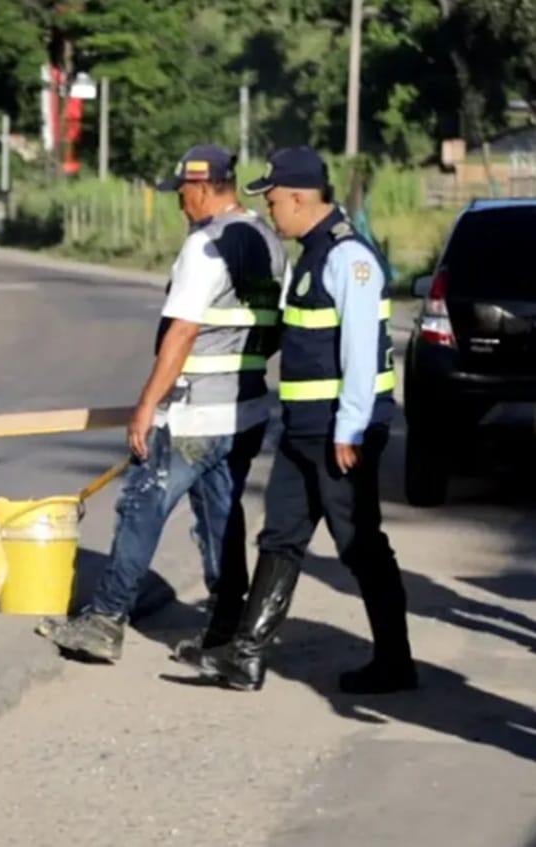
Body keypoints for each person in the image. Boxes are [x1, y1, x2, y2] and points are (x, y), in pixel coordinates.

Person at [177, 146, 418, 694]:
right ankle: (247, 656)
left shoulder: (346, 257)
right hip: (303, 429)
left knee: (360, 545)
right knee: (281, 536)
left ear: (298, 198)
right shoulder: (310, 254)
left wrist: (350, 430)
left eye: (274, 201)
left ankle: (395, 662)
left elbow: (360, 350)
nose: (270, 213)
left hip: (339, 432)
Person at [43, 143, 289, 662]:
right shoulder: (268, 240)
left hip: (195, 411)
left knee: (142, 503)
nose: (180, 203)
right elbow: (272, 329)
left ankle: (105, 620)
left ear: (202, 188)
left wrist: (146, 406)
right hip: (244, 411)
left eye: (183, 193)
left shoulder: (206, 246)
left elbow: (181, 332)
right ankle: (226, 628)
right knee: (223, 517)